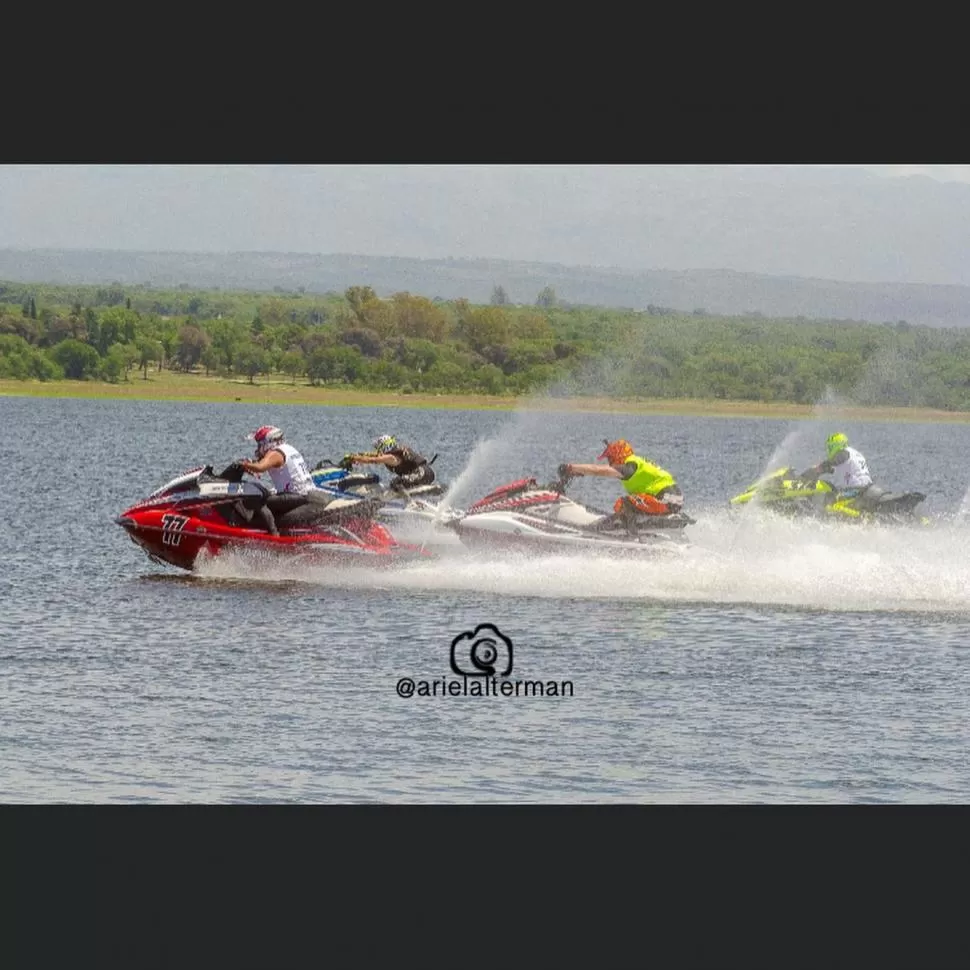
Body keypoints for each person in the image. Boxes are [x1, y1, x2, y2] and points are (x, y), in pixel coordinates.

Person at [562, 439, 684, 534]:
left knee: (624, 503)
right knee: (631, 503)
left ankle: (631, 536)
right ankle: (634, 528)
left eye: (610, 458)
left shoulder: (629, 466)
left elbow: (598, 470)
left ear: (619, 454)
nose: (610, 463)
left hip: (666, 501)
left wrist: (571, 468)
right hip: (671, 500)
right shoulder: (637, 462)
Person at [233, 425, 325, 534]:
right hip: (306, 493)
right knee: (267, 495)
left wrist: (243, 464)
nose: (258, 448)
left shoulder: (275, 453)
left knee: (256, 499)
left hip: (296, 496)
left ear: (268, 443)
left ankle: (273, 533)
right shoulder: (288, 449)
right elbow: (261, 464)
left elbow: (260, 467)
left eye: (259, 444)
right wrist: (249, 466)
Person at [797, 432, 873, 504]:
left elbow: (832, 462)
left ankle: (822, 516)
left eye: (830, 447)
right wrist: (813, 473)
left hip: (855, 491)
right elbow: (831, 468)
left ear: (837, 445)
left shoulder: (844, 453)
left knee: (829, 497)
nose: (828, 450)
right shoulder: (855, 454)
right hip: (865, 489)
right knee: (830, 486)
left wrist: (818, 469)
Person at [344, 435, 437, 492]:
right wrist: (358, 455)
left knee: (396, 483)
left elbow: (372, 460)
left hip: (421, 473)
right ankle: (413, 501)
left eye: (379, 447)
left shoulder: (391, 457)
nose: (378, 450)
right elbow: (374, 456)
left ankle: (410, 503)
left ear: (384, 446)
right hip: (427, 473)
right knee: (403, 484)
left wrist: (353, 458)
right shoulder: (396, 452)